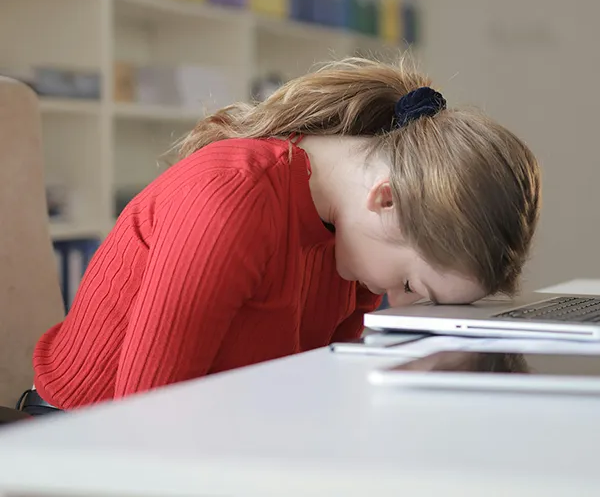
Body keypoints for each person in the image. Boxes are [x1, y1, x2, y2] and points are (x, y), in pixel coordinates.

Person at [31, 57, 541, 410]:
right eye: (412, 287)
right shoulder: (231, 197)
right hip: (85, 438)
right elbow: (146, 421)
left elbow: (320, 388)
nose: (399, 305)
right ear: (386, 200)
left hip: (224, 428)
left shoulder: (353, 239)